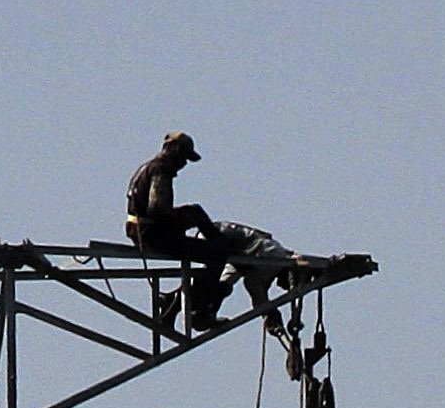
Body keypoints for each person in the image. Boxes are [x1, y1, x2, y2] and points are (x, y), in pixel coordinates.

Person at [122, 134, 373, 335]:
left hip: (147, 231)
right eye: (184, 158)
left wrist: (268, 315)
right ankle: (190, 311)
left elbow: (236, 282)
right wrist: (327, 264)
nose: (184, 164)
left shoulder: (148, 168)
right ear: (174, 151)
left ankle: (182, 307)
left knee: (217, 266)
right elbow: (158, 209)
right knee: (213, 253)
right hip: (153, 233)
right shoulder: (160, 170)